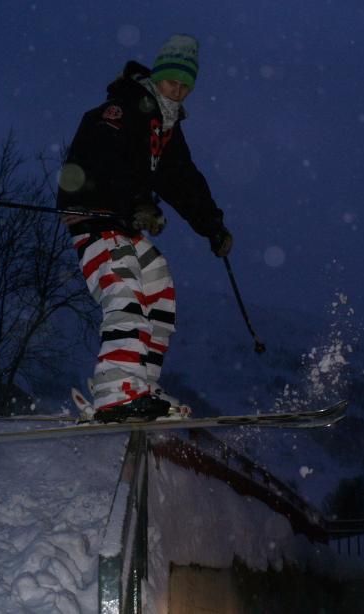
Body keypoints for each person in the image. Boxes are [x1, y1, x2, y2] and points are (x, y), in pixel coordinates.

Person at [57, 34, 232, 423]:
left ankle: (141, 385)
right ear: (159, 76)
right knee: (125, 291)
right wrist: (135, 202)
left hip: (124, 223)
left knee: (158, 283)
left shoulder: (165, 125)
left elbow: (183, 181)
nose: (180, 91)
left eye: (187, 86)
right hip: (95, 216)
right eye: (173, 82)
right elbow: (101, 158)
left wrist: (213, 227)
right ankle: (116, 390)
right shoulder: (123, 110)